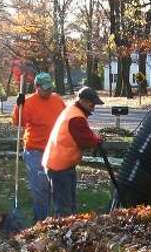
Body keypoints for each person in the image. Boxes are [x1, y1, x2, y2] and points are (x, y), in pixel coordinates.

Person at [10, 71, 65, 222]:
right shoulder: (28, 103)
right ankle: (41, 221)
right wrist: (18, 105)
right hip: (35, 151)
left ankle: (56, 219)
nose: (48, 91)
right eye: (45, 88)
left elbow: (65, 119)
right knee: (40, 188)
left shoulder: (57, 100)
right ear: (37, 87)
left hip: (55, 150)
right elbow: (17, 122)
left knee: (55, 186)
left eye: (50, 88)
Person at [42, 86, 104, 217]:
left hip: (60, 163)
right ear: (82, 101)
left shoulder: (73, 111)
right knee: (65, 208)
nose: (93, 107)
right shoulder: (76, 117)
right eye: (91, 103)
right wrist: (97, 140)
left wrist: (94, 138)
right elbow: (86, 140)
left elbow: (85, 135)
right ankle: (64, 233)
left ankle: (68, 229)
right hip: (59, 166)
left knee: (68, 203)